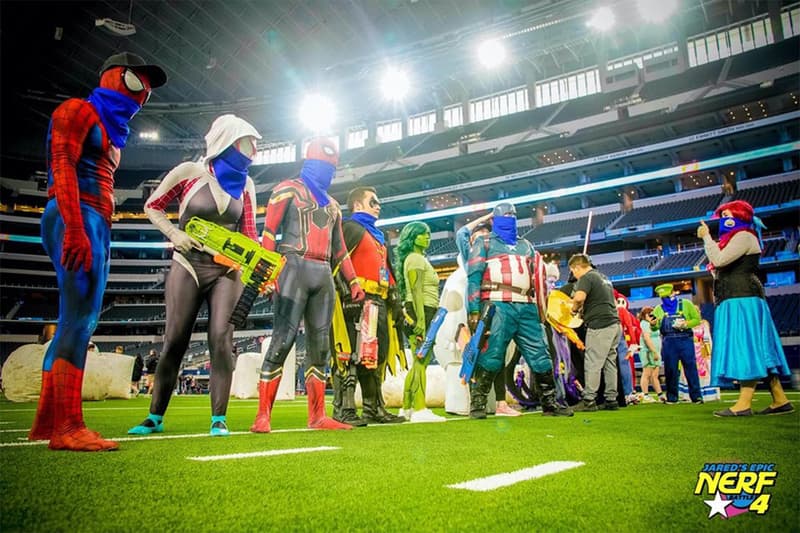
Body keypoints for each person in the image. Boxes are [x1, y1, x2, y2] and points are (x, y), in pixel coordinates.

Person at [28, 52, 166, 452]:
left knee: (73, 319)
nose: (143, 95)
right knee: (80, 320)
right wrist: (74, 226)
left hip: (93, 218)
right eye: (136, 82)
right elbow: (62, 164)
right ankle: (67, 426)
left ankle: (47, 421)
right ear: (112, 76)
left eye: (147, 89)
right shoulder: (78, 111)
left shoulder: (108, 131)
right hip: (78, 214)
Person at [128, 114, 260, 437]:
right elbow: (153, 205)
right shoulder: (190, 173)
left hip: (226, 270)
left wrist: (251, 265)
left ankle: (219, 419)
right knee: (175, 339)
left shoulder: (247, 186)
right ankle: (154, 417)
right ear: (228, 141)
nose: (253, 150)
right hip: (187, 262)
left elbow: (250, 234)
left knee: (222, 339)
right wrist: (174, 234)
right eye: (248, 142)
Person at [251, 138, 365, 433]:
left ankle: (317, 415)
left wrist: (352, 280)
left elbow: (340, 249)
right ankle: (263, 415)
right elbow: (269, 232)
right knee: (282, 341)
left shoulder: (333, 205)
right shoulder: (288, 189)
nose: (327, 172)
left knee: (320, 347)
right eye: (323, 165)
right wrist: (268, 268)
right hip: (292, 266)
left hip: (323, 272)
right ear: (310, 163)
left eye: (331, 167)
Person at [467, 204, 571, 418]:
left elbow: (538, 279)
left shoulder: (527, 246)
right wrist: (474, 311)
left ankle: (550, 403)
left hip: (527, 305)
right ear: (495, 219)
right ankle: (478, 404)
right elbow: (474, 278)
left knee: (540, 354)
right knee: (492, 354)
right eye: (506, 215)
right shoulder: (483, 242)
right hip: (497, 304)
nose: (510, 218)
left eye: (513, 214)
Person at [697, 200, 793, 416]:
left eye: (728, 215)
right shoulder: (739, 237)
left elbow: (719, 260)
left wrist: (706, 237)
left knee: (746, 345)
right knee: (758, 347)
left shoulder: (744, 236)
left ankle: (744, 403)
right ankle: (780, 399)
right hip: (737, 296)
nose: (724, 220)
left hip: (741, 298)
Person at [330, 187, 405, 425]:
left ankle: (374, 408)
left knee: (377, 355)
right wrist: (345, 291)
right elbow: (337, 261)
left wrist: (395, 298)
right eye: (373, 201)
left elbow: (388, 270)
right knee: (351, 354)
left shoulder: (379, 236)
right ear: (357, 205)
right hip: (356, 300)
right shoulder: (350, 228)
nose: (378, 205)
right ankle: (344, 408)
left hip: (379, 300)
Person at [395, 221, 446, 422]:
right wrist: (421, 321)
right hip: (420, 311)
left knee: (418, 361)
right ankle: (419, 408)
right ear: (412, 237)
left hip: (422, 310)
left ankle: (407, 407)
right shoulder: (415, 259)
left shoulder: (416, 258)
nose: (428, 237)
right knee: (421, 360)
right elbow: (416, 290)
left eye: (429, 234)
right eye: (423, 234)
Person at [568, 253, 621, 412]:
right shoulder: (603, 277)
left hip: (600, 324)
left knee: (592, 362)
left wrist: (574, 309)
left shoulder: (586, 277)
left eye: (573, 271)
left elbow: (579, 297)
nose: (574, 275)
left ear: (577, 267)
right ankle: (611, 399)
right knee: (610, 362)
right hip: (614, 324)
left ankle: (589, 400)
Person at [651, 283, 702, 405]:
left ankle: (696, 397)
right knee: (671, 370)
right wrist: (653, 324)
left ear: (674, 293)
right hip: (669, 341)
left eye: (667, 295)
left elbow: (697, 319)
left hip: (685, 339)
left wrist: (686, 324)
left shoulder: (686, 304)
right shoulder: (658, 309)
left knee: (690, 368)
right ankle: (672, 397)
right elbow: (655, 327)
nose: (666, 299)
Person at [636, 307, 665, 403]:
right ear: (644, 316)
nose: (652, 317)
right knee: (647, 373)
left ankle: (660, 395)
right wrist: (653, 351)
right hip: (648, 352)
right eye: (649, 315)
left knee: (655, 375)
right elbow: (647, 339)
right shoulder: (644, 324)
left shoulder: (654, 325)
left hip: (656, 351)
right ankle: (645, 395)